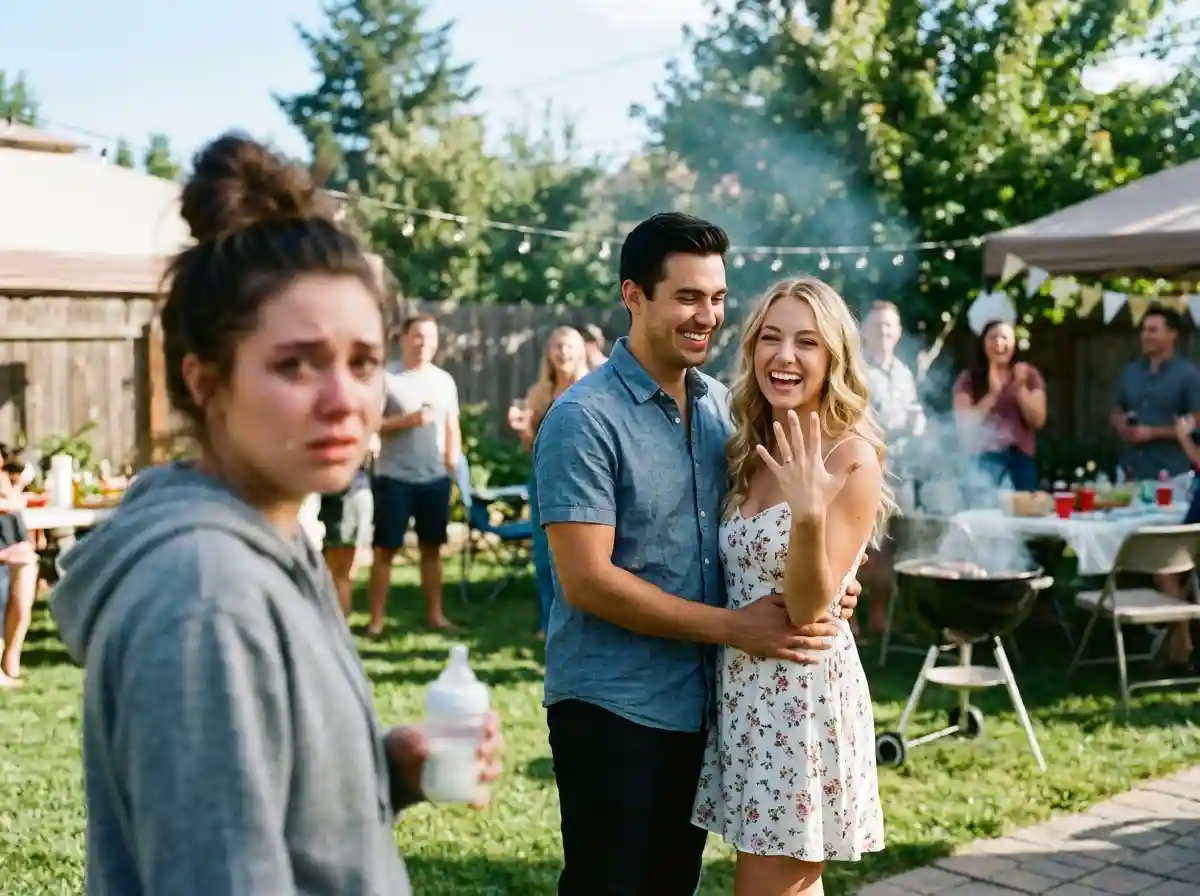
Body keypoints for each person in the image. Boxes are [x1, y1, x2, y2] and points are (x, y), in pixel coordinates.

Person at [50, 133, 502, 895]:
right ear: (206, 383)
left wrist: (383, 768)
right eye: (295, 363)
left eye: (362, 362)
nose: (342, 400)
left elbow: (256, 805)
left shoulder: (274, 541)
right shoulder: (206, 598)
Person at [535, 212, 861, 896]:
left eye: (715, 298)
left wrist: (829, 580)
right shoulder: (583, 419)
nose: (705, 316)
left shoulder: (725, 411)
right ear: (634, 296)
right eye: (687, 297)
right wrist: (738, 627)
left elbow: (759, 539)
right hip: (611, 703)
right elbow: (587, 581)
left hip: (704, 705)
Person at [692, 276, 891, 896]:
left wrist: (808, 514)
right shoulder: (750, 444)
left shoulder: (850, 458)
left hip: (802, 701)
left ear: (833, 357)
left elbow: (809, 609)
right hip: (747, 698)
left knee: (769, 889)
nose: (785, 356)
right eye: (771, 338)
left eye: (806, 342)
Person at [366, 314, 461, 634]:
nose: (425, 344)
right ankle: (376, 620)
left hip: (434, 478)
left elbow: (452, 427)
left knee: (432, 549)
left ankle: (436, 615)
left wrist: (452, 466)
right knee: (385, 549)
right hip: (393, 476)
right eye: (419, 336)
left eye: (431, 338)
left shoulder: (444, 380)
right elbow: (368, 424)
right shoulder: (386, 378)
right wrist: (406, 422)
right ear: (403, 338)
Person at [507, 325, 590, 638]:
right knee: (543, 557)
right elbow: (533, 448)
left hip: (582, 483)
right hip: (542, 481)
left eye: (568, 345)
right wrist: (523, 430)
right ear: (548, 353)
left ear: (580, 350)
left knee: (576, 557)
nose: (563, 351)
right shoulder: (538, 394)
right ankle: (549, 621)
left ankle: (579, 623)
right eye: (557, 345)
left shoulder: (594, 388)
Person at [860, 299, 924, 638]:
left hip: (902, 471)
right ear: (864, 332)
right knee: (861, 543)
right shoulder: (857, 369)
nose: (883, 332)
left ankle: (879, 615)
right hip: (869, 469)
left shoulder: (902, 372)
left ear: (897, 332)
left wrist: (918, 422)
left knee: (891, 544)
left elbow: (913, 411)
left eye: (889, 326)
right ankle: (850, 616)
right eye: (877, 326)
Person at [952, 319, 1046, 491]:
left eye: (1004, 337)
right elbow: (964, 426)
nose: (998, 343)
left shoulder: (1029, 375)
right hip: (982, 460)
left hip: (1021, 461)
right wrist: (992, 395)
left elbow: (1038, 420)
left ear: (1014, 344)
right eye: (992, 338)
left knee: (1023, 514)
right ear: (983, 344)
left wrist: (1019, 387)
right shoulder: (968, 378)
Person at [1111, 304, 1200, 482]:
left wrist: (1153, 433)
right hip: (1130, 470)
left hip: (1170, 473)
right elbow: (1116, 409)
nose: (1145, 336)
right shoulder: (1131, 372)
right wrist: (1120, 423)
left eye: (1153, 330)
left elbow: (1196, 422)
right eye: (1143, 330)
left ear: (1172, 334)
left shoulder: (1188, 375)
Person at [318, 453, 374, 616]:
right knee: (336, 570)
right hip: (339, 494)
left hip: (347, 495)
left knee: (340, 572)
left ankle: (338, 627)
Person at [0, 450, 38, 687]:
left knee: (27, 568)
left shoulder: (3, 478)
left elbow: (14, 502)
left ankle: (11, 658)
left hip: (11, 553)